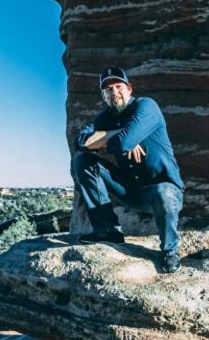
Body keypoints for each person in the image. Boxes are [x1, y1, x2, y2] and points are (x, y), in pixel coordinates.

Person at [73, 66, 184, 273]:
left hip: (163, 192)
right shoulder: (105, 118)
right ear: (104, 96)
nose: (114, 92)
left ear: (129, 88)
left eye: (118, 86)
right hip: (131, 191)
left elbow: (123, 144)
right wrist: (121, 134)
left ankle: (170, 251)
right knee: (84, 162)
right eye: (108, 90)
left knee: (164, 192)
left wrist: (120, 139)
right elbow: (80, 141)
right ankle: (107, 231)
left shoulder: (147, 106)